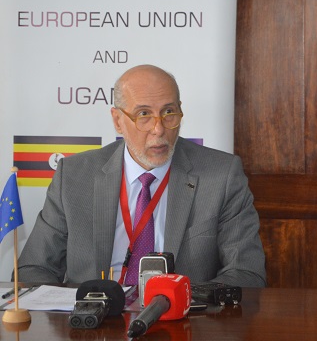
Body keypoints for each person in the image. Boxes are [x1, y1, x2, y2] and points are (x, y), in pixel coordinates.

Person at [18, 64, 266, 287]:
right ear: (117, 120)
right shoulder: (73, 177)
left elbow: (246, 273)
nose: (158, 129)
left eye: (168, 112)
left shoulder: (221, 176)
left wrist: (178, 300)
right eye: (144, 115)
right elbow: (34, 268)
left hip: (183, 324)